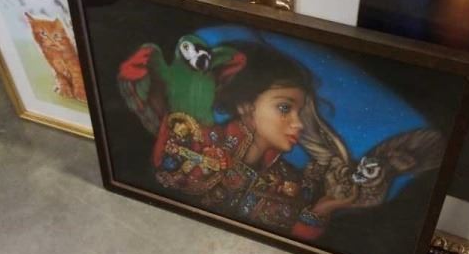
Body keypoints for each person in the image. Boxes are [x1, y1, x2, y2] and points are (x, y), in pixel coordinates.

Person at [151, 41, 357, 241]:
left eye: (300, 112)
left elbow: (288, 243)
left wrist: (322, 209)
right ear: (245, 105)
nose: (299, 124)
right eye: (284, 108)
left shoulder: (291, 181)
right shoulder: (197, 143)